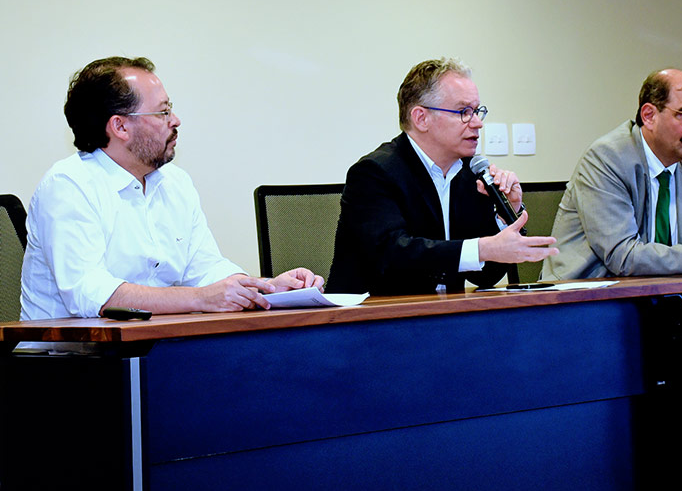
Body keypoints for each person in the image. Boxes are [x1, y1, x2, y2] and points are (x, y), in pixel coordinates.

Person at [20, 57, 322, 320]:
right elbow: (91, 294)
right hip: (64, 363)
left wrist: (269, 289)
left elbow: (206, 269)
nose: (175, 121)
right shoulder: (68, 186)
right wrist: (201, 299)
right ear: (120, 127)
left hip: (151, 348)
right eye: (162, 112)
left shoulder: (175, 182)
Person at [328, 58, 558, 296]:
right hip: (370, 321)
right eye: (463, 112)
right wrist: (481, 249)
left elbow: (484, 275)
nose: (478, 123)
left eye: (477, 111)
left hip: (443, 316)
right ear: (421, 118)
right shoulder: (374, 173)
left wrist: (504, 214)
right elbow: (393, 254)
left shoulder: (471, 173)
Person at [542, 69, 682, 280]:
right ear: (649, 115)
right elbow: (622, 256)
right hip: (585, 297)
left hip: (665, 295)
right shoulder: (607, 158)